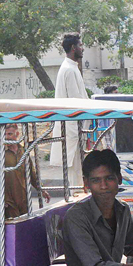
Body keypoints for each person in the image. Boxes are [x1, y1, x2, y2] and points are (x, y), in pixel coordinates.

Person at [50, 32, 89, 194]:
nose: (83, 49)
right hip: (73, 132)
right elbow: (77, 104)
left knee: (79, 177)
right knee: (77, 180)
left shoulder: (70, 68)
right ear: (73, 48)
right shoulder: (69, 70)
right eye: (80, 45)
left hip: (75, 131)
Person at [0, 124, 50, 218]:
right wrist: (1, 199)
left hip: (24, 199)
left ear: (17, 134)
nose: (6, 137)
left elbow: (32, 174)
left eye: (10, 134)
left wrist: (41, 189)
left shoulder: (23, 151)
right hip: (9, 201)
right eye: (4, 134)